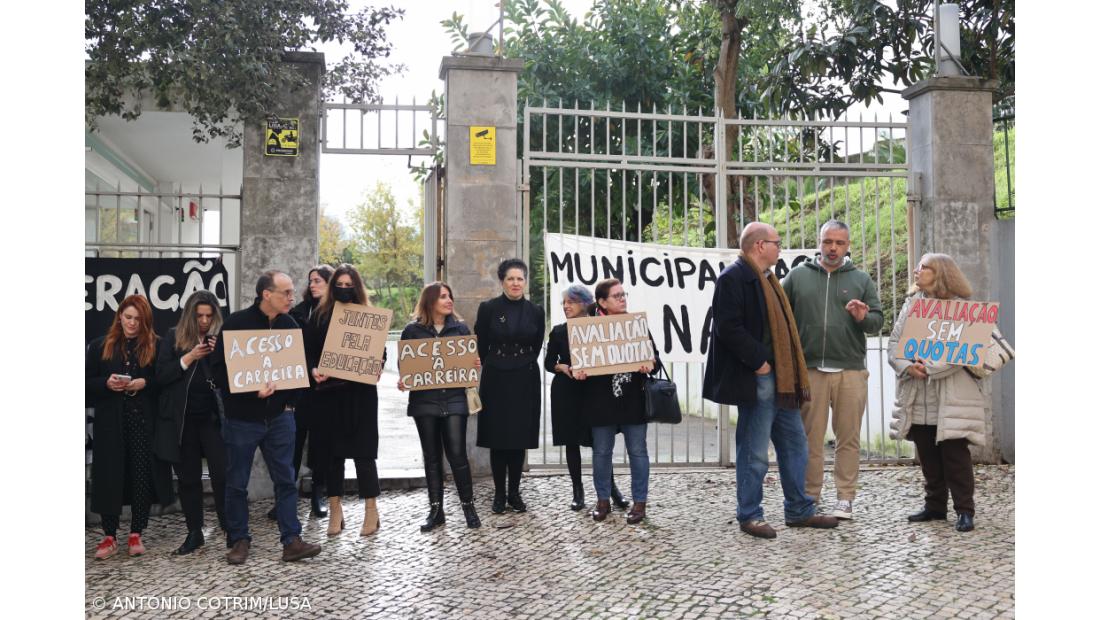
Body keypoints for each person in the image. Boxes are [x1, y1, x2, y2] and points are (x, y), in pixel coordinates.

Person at [702, 222, 839, 539]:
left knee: (795, 446)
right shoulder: (733, 278)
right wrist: (759, 362)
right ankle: (750, 514)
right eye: (776, 242)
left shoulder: (769, 279)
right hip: (758, 377)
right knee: (755, 451)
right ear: (759, 246)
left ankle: (799, 510)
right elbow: (727, 327)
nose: (780, 247)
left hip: (783, 379)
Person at [211, 270, 322, 564]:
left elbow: (297, 370)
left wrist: (290, 405)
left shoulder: (290, 325)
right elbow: (219, 372)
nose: (292, 297)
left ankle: (292, 541)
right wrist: (251, 393)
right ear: (266, 295)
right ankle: (239, 540)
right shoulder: (235, 324)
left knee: (286, 480)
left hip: (280, 419)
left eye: (291, 292)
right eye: (285, 292)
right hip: (241, 420)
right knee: (236, 482)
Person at [782, 220, 883, 519]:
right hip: (810, 370)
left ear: (848, 245)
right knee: (809, 439)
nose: (833, 248)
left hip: (850, 371)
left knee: (848, 438)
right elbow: (781, 317)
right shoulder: (798, 277)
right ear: (819, 241)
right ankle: (810, 496)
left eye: (839, 242)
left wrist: (863, 317)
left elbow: (877, 322)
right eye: (828, 241)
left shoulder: (862, 279)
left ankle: (845, 498)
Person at [888, 253, 987, 533]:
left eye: (925, 268)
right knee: (928, 455)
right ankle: (934, 506)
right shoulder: (911, 305)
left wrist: (928, 369)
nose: (917, 271)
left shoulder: (961, 310)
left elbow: (959, 356)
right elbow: (895, 344)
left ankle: (965, 510)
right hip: (917, 394)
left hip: (951, 395)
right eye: (918, 267)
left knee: (955, 455)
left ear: (941, 273)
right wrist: (908, 367)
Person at [86, 295, 174, 559]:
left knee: (140, 475)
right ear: (120, 316)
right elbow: (85, 383)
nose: (132, 323)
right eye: (128, 317)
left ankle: (137, 532)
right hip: (110, 423)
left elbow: (165, 380)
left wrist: (144, 383)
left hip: (143, 422)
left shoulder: (157, 346)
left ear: (145, 320)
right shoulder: (101, 345)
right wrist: (106, 383)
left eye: (138, 318)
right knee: (109, 476)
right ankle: (109, 535)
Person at [303, 264, 384, 537]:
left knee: (364, 453)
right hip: (329, 396)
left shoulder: (368, 316)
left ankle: (371, 510)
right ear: (333, 285)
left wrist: (379, 365)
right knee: (332, 456)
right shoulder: (318, 316)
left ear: (357, 287)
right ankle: (335, 510)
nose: (345, 289)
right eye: (341, 284)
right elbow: (309, 354)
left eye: (350, 285)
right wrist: (314, 370)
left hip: (360, 395)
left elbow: (379, 352)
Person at [573, 279, 662, 524]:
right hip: (600, 403)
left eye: (624, 294)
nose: (622, 299)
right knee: (602, 453)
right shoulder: (587, 329)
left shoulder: (635, 326)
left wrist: (649, 365)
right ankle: (603, 501)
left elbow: (656, 361)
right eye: (616, 296)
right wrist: (579, 372)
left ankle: (640, 503)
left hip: (632, 401)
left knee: (638, 452)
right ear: (602, 302)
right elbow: (579, 364)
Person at [398, 281, 482, 531]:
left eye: (450, 296)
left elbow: (469, 364)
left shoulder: (461, 329)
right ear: (430, 301)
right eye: (443, 296)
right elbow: (407, 368)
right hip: (425, 402)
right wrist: (404, 380)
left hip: (455, 399)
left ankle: (468, 506)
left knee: (457, 454)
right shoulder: (412, 332)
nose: (449, 300)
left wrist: (474, 365)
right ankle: (436, 510)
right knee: (432, 457)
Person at [153, 290, 229, 555]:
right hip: (181, 421)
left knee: (222, 472)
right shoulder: (174, 336)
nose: (205, 321)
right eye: (200, 316)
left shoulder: (220, 339)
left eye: (209, 315)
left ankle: (227, 523)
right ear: (190, 315)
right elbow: (161, 375)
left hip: (211, 418)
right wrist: (189, 357)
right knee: (188, 479)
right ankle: (194, 531)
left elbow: (229, 378)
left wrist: (221, 354)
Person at [543, 284, 629, 512]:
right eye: (563, 303)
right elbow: (548, 362)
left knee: (600, 442)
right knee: (571, 441)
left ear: (583, 303)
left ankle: (611, 488)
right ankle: (577, 490)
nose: (565, 306)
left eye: (570, 302)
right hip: (566, 392)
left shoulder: (598, 328)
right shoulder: (559, 331)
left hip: (593, 391)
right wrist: (562, 367)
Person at [474, 258, 545, 514]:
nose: (516, 283)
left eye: (520, 278)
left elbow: (536, 345)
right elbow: (480, 344)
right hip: (496, 378)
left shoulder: (536, 311)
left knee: (518, 438)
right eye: (511, 279)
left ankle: (515, 492)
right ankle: (499, 494)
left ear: (525, 282)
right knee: (498, 437)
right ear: (502, 281)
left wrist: (522, 362)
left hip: (525, 378)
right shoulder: (488, 308)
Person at [284, 264, 335, 520]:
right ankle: (286, 497)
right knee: (293, 442)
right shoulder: (299, 312)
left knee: (321, 444)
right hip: (300, 388)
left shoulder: (340, 313)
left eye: (318, 280)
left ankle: (318, 494)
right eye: (311, 281)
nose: (313, 284)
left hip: (326, 389)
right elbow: (292, 348)